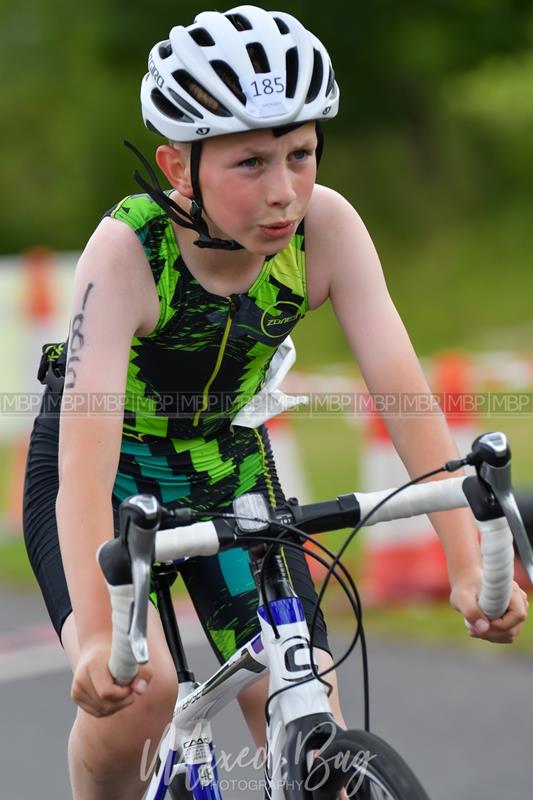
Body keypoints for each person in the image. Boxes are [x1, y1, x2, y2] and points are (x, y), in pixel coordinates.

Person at [23, 5, 528, 800]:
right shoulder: (127, 253)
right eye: (250, 164)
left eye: (301, 154)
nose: (284, 190)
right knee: (140, 692)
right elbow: (85, 467)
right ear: (178, 167)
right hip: (110, 478)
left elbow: (400, 391)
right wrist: (95, 641)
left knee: (301, 690)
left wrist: (465, 560)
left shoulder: (326, 229)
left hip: (227, 464)